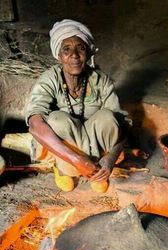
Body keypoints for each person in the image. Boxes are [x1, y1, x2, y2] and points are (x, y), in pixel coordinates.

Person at [25, 19, 130, 191]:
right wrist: (76, 160)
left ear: (88, 53)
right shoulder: (49, 79)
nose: (74, 55)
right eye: (67, 49)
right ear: (58, 56)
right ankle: (64, 170)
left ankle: (97, 171)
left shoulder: (100, 80)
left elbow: (123, 125)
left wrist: (110, 159)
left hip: (94, 142)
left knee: (108, 117)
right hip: (68, 146)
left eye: (80, 48)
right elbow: (35, 125)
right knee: (56, 119)